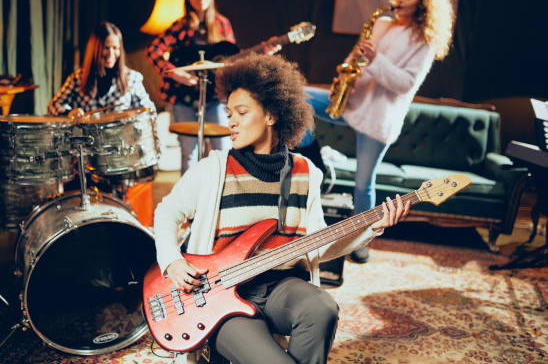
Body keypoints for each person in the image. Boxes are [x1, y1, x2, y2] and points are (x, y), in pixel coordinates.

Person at [153, 54, 410, 364]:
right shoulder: (215, 169)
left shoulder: (305, 173)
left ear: (272, 115)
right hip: (220, 298)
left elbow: (320, 244)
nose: (231, 121)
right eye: (229, 112)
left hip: (281, 288)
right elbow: (167, 213)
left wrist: (372, 226)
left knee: (322, 309)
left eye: (242, 112)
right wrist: (172, 262)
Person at [298, 0, 454, 264]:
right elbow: (355, 56)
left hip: (378, 119)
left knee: (363, 184)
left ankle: (361, 241)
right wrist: (343, 75)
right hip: (351, 102)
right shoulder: (382, 23)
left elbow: (405, 84)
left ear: (424, 2)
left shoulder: (425, 40)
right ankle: (312, 156)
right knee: (299, 96)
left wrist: (376, 59)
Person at [145, 0, 234, 174]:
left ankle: (221, 197)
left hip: (214, 98)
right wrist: (173, 73)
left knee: (223, 150)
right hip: (183, 99)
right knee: (189, 153)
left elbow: (232, 59)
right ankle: (189, 203)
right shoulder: (180, 26)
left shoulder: (222, 24)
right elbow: (153, 50)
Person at [47, 21, 156, 117]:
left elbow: (149, 110)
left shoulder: (132, 78)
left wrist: (134, 115)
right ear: (95, 49)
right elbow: (53, 106)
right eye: (106, 48)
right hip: (89, 139)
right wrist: (69, 112)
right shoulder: (78, 78)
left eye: (115, 48)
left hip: (121, 138)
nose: (111, 54)